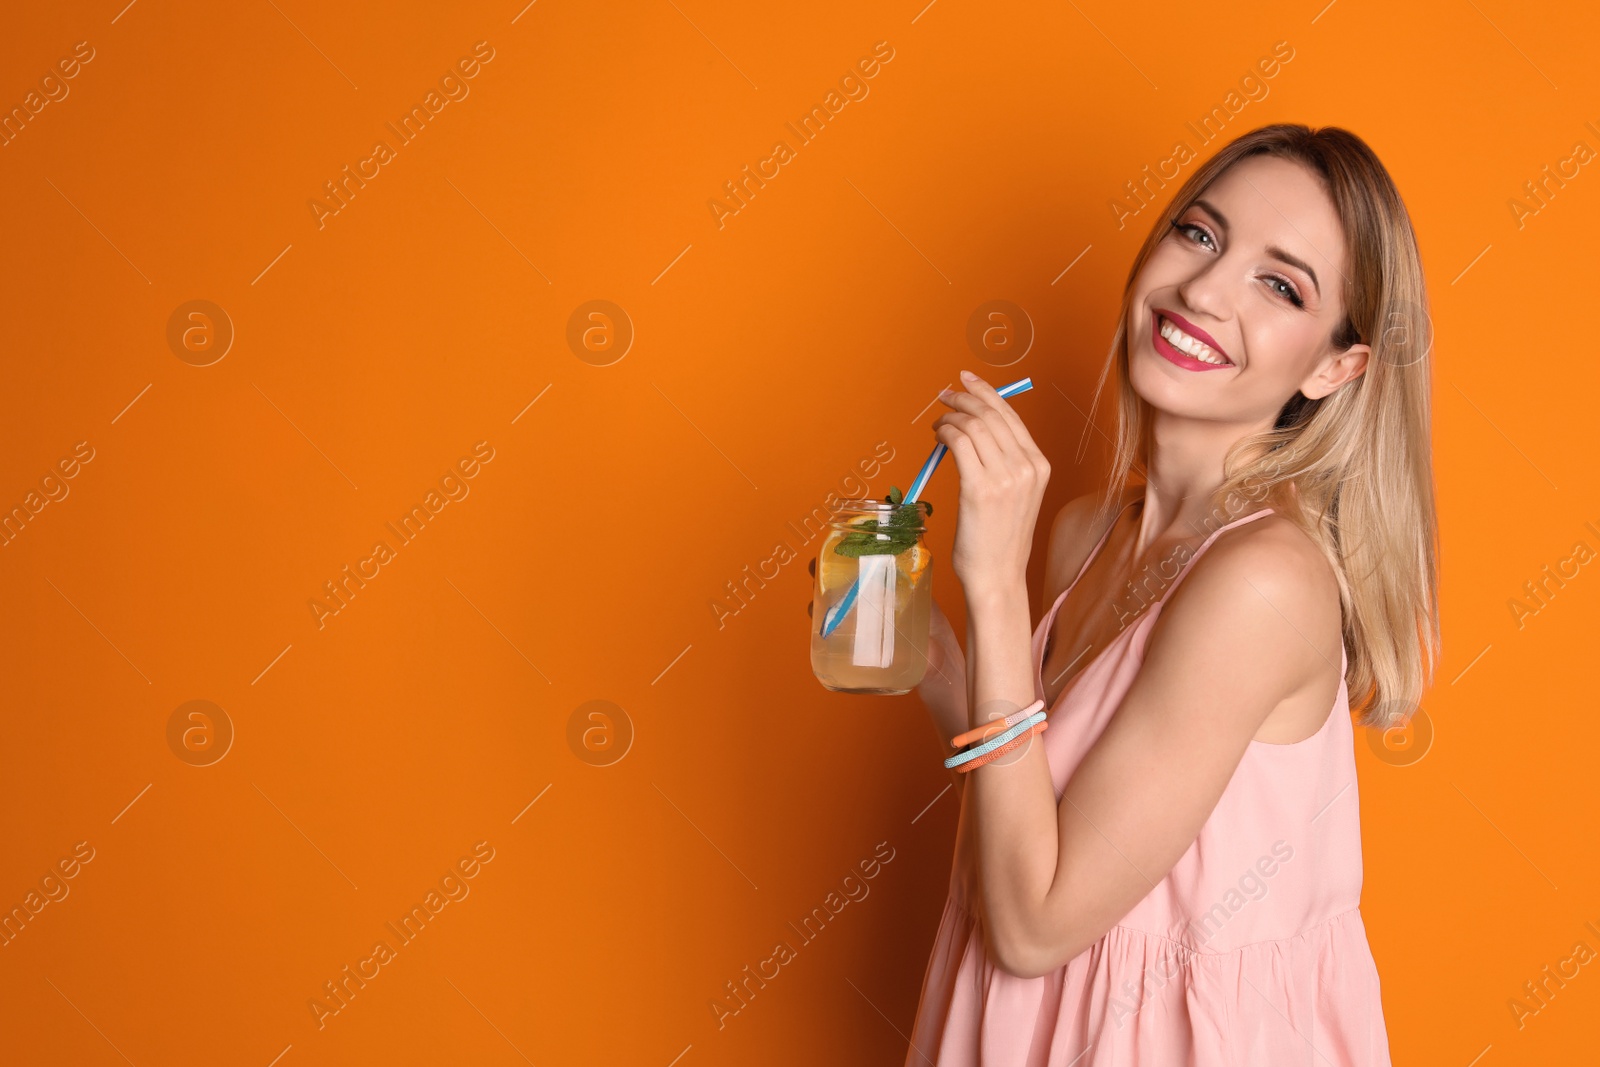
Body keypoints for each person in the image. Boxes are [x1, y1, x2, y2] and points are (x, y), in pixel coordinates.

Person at [902, 124, 1438, 1064]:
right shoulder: (1086, 531)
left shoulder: (1263, 583)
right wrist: (939, 665)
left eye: (1281, 285)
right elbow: (1032, 832)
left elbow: (1034, 926)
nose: (1202, 290)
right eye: (1200, 233)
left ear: (1333, 367)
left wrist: (991, 586)